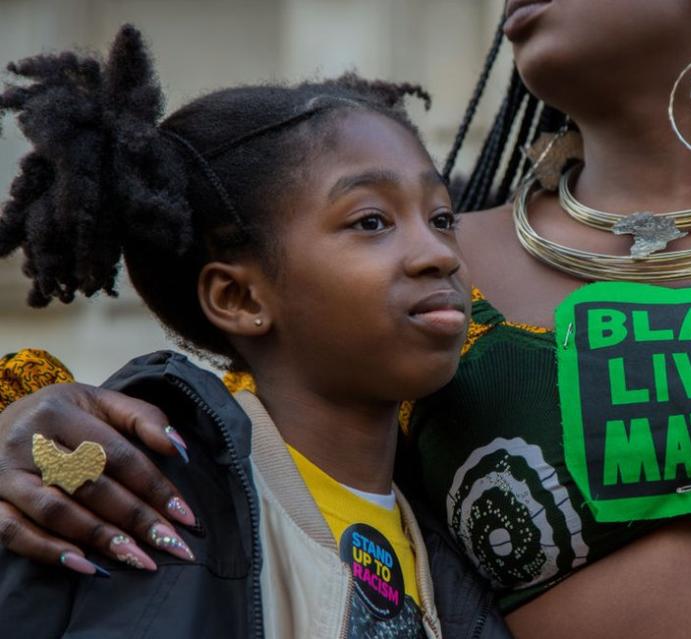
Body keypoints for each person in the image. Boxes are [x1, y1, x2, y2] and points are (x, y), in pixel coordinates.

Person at [1, 1, 691, 637]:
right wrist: (37, 430)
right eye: (376, 219)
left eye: (425, 215)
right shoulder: (433, 285)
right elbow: (256, 449)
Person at [0, 25, 509, 639]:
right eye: (371, 220)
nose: (439, 254)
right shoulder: (119, 500)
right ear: (238, 296)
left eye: (443, 218)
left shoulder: (468, 541)